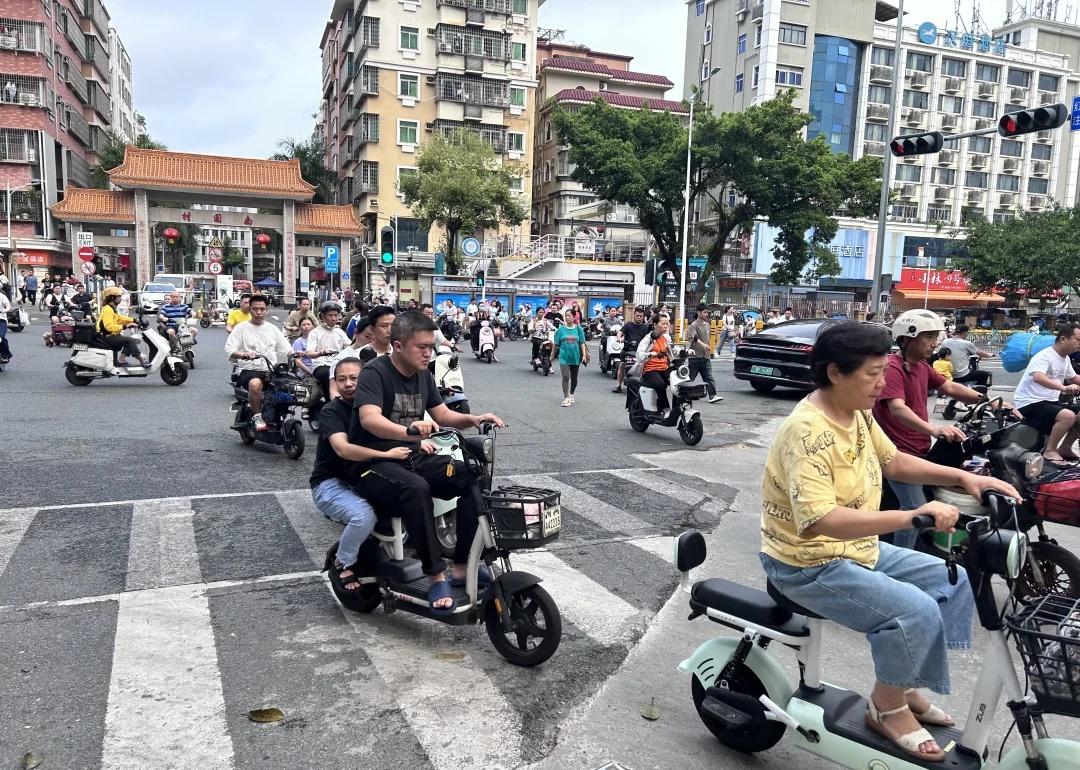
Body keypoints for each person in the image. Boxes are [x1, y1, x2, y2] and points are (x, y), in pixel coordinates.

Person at [760, 321, 1018, 763]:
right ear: (836, 372)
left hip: (854, 551)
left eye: (884, 372)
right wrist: (913, 515)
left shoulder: (855, 412)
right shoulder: (807, 431)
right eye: (873, 374)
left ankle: (900, 684)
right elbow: (818, 522)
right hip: (805, 564)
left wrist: (964, 477)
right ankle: (885, 706)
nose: (883, 384)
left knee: (953, 579)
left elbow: (893, 460)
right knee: (912, 610)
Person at [348, 311, 506, 613]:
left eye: (431, 347)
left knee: (473, 474)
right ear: (397, 345)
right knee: (416, 488)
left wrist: (474, 418)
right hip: (373, 463)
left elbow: (443, 415)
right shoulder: (374, 373)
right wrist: (407, 430)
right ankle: (435, 575)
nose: (428, 353)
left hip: (412, 456)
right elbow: (369, 420)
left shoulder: (423, 375)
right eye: (421, 347)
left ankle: (460, 567)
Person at [873, 310, 1015, 549]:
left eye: (935, 336)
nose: (934, 342)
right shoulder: (894, 368)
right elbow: (897, 408)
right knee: (915, 508)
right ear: (906, 339)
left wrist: (988, 401)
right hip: (897, 453)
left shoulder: (921, 366)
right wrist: (933, 429)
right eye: (928, 336)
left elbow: (949, 386)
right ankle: (904, 558)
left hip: (917, 448)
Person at [310, 355, 401, 595]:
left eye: (354, 378)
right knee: (363, 517)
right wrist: (387, 455)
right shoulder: (331, 411)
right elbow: (343, 449)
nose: (348, 384)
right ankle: (343, 561)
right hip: (330, 485)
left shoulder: (376, 408)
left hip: (362, 477)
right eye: (342, 379)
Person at [224, 295, 295, 431]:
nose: (259, 312)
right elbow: (229, 349)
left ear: (266, 310)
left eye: (262, 309)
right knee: (255, 384)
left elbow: (286, 348)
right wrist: (243, 354)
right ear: (249, 310)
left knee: (292, 386)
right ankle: (257, 416)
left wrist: (295, 355)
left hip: (271, 371)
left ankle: (278, 414)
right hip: (248, 371)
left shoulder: (272, 329)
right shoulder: (240, 328)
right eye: (255, 309)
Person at [1014, 322, 1080, 465]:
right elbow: (1038, 376)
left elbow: (1074, 378)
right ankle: (1050, 450)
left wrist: (1069, 385)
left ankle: (1065, 448)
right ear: (1063, 339)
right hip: (1030, 402)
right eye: (1078, 339)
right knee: (1067, 416)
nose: (1079, 344)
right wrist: (1063, 388)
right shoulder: (1044, 355)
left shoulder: (1065, 358)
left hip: (1049, 401)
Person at [307, 301, 352, 401]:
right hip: (320, 366)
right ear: (322, 316)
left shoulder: (340, 332)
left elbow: (351, 346)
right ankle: (331, 401)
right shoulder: (315, 333)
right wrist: (320, 353)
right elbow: (309, 353)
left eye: (336, 315)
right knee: (328, 374)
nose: (334, 318)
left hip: (337, 364)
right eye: (330, 315)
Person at [98, 286, 149, 368]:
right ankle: (142, 360)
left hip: (112, 335)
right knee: (130, 340)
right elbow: (108, 326)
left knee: (129, 340)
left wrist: (134, 320)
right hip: (107, 336)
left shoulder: (112, 308)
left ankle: (121, 360)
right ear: (112, 297)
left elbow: (119, 319)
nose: (121, 299)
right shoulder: (107, 309)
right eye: (119, 296)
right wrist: (125, 326)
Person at [687, 303, 724, 403]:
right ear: (698, 312)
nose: (706, 314)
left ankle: (712, 396)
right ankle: (684, 394)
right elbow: (694, 338)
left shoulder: (707, 325)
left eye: (707, 312)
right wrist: (703, 345)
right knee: (690, 378)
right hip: (695, 356)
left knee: (709, 378)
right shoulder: (694, 325)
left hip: (705, 356)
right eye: (704, 312)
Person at [639, 314, 673, 414]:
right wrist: (649, 354)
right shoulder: (648, 339)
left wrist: (686, 351)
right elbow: (639, 354)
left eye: (667, 324)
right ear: (655, 325)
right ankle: (665, 408)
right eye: (663, 324)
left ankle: (678, 407)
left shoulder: (666, 338)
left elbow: (673, 349)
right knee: (660, 385)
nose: (666, 326)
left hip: (664, 368)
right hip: (651, 369)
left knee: (679, 382)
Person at [555, 308, 588, 407]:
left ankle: (571, 393)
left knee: (574, 377)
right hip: (564, 356)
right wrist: (552, 356)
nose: (567, 317)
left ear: (574, 317)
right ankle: (566, 397)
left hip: (575, 356)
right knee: (565, 377)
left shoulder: (578, 329)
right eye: (566, 315)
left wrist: (584, 355)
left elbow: (582, 343)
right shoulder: (561, 329)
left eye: (569, 315)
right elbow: (556, 343)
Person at [613, 306, 648, 394]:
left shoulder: (646, 327)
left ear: (643, 317)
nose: (639, 317)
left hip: (641, 352)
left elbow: (650, 337)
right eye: (637, 316)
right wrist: (619, 338)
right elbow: (620, 332)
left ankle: (645, 385)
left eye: (641, 316)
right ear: (634, 316)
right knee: (622, 365)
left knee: (646, 367)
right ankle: (618, 385)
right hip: (628, 350)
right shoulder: (628, 325)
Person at [0, 289, 12, 363]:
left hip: (1, 320)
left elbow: (8, 305)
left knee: (0, 336)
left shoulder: (1, 296)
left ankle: (5, 355)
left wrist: (5, 310)